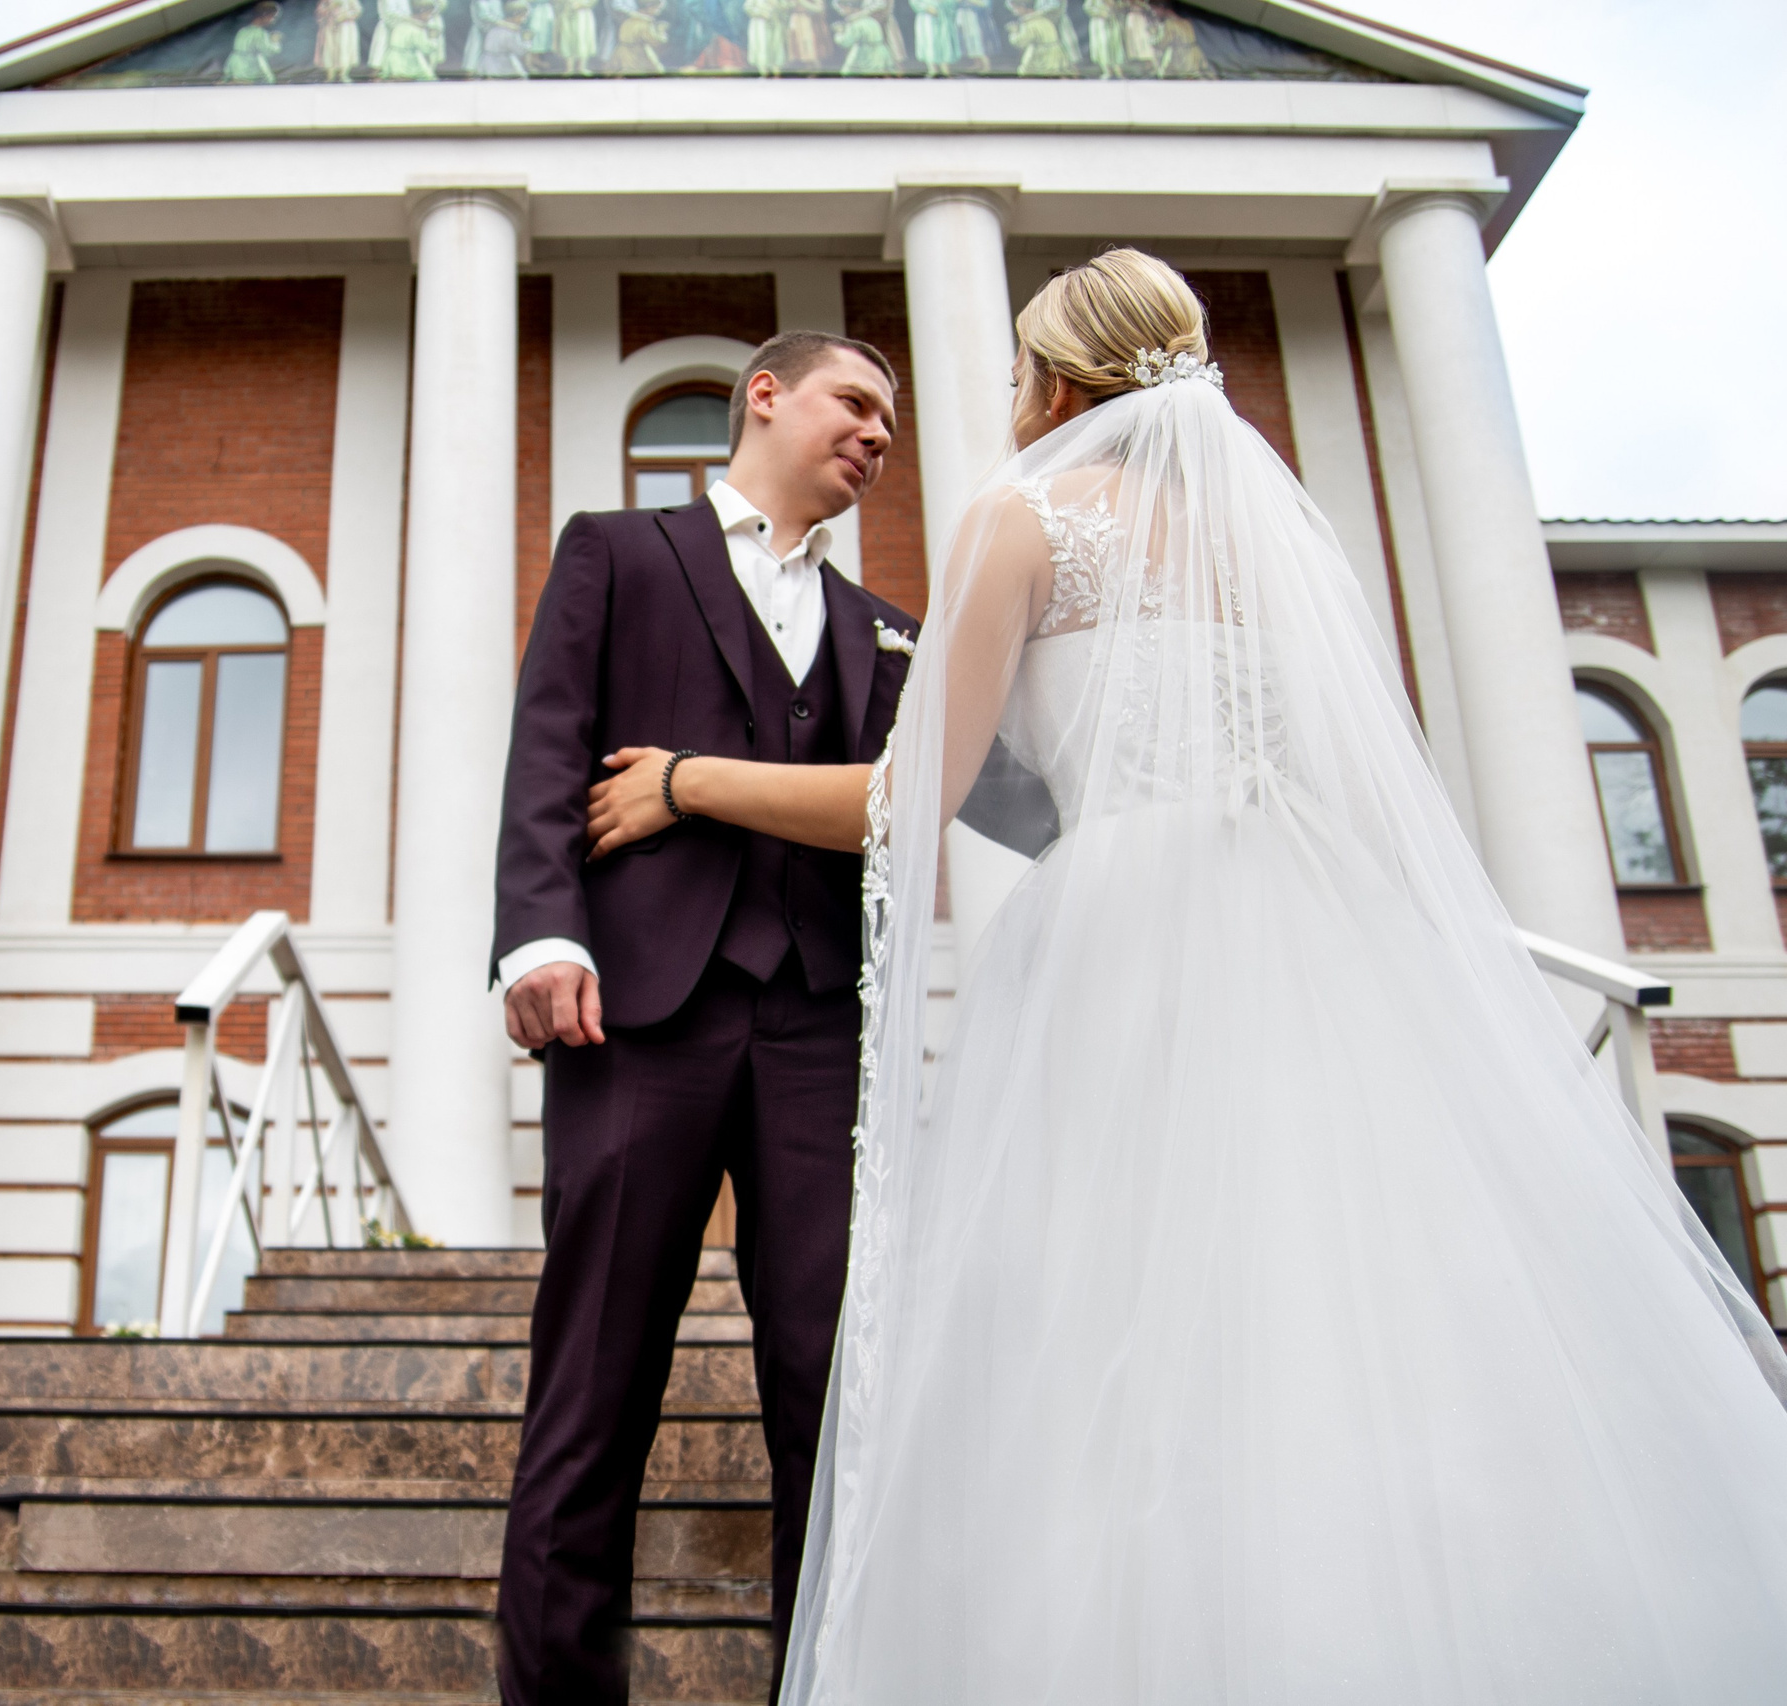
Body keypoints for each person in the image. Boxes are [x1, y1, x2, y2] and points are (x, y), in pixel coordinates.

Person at [583, 248, 1787, 1702]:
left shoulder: (1024, 517)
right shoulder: (1277, 538)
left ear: (1058, 382)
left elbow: (905, 804)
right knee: (1333, 1298)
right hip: (1318, 929)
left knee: (1112, 1311)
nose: (1010, 395)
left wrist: (689, 778)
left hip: (1125, 933)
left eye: (1018, 370)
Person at [490, 330, 1053, 1705]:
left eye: (891, 422)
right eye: (855, 402)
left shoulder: (886, 628)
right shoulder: (617, 552)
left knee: (832, 1391)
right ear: (764, 395)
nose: (877, 434)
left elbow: (1003, 796)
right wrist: (541, 935)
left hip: (820, 1032)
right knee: (593, 1393)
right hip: (637, 1017)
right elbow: (549, 744)